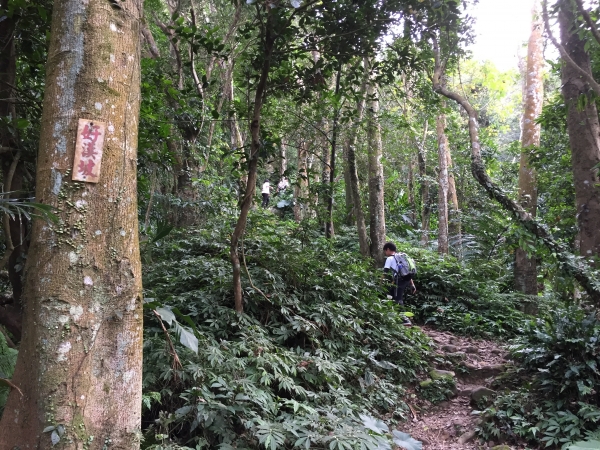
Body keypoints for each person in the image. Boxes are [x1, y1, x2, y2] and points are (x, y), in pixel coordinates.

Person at [383, 242, 416, 325]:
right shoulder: (401, 257)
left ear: (388, 249)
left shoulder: (390, 258)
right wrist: (412, 284)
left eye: (385, 251)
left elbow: (385, 273)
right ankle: (393, 316)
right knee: (390, 295)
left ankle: (405, 320)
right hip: (405, 280)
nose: (385, 253)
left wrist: (380, 283)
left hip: (399, 280)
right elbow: (407, 272)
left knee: (398, 299)